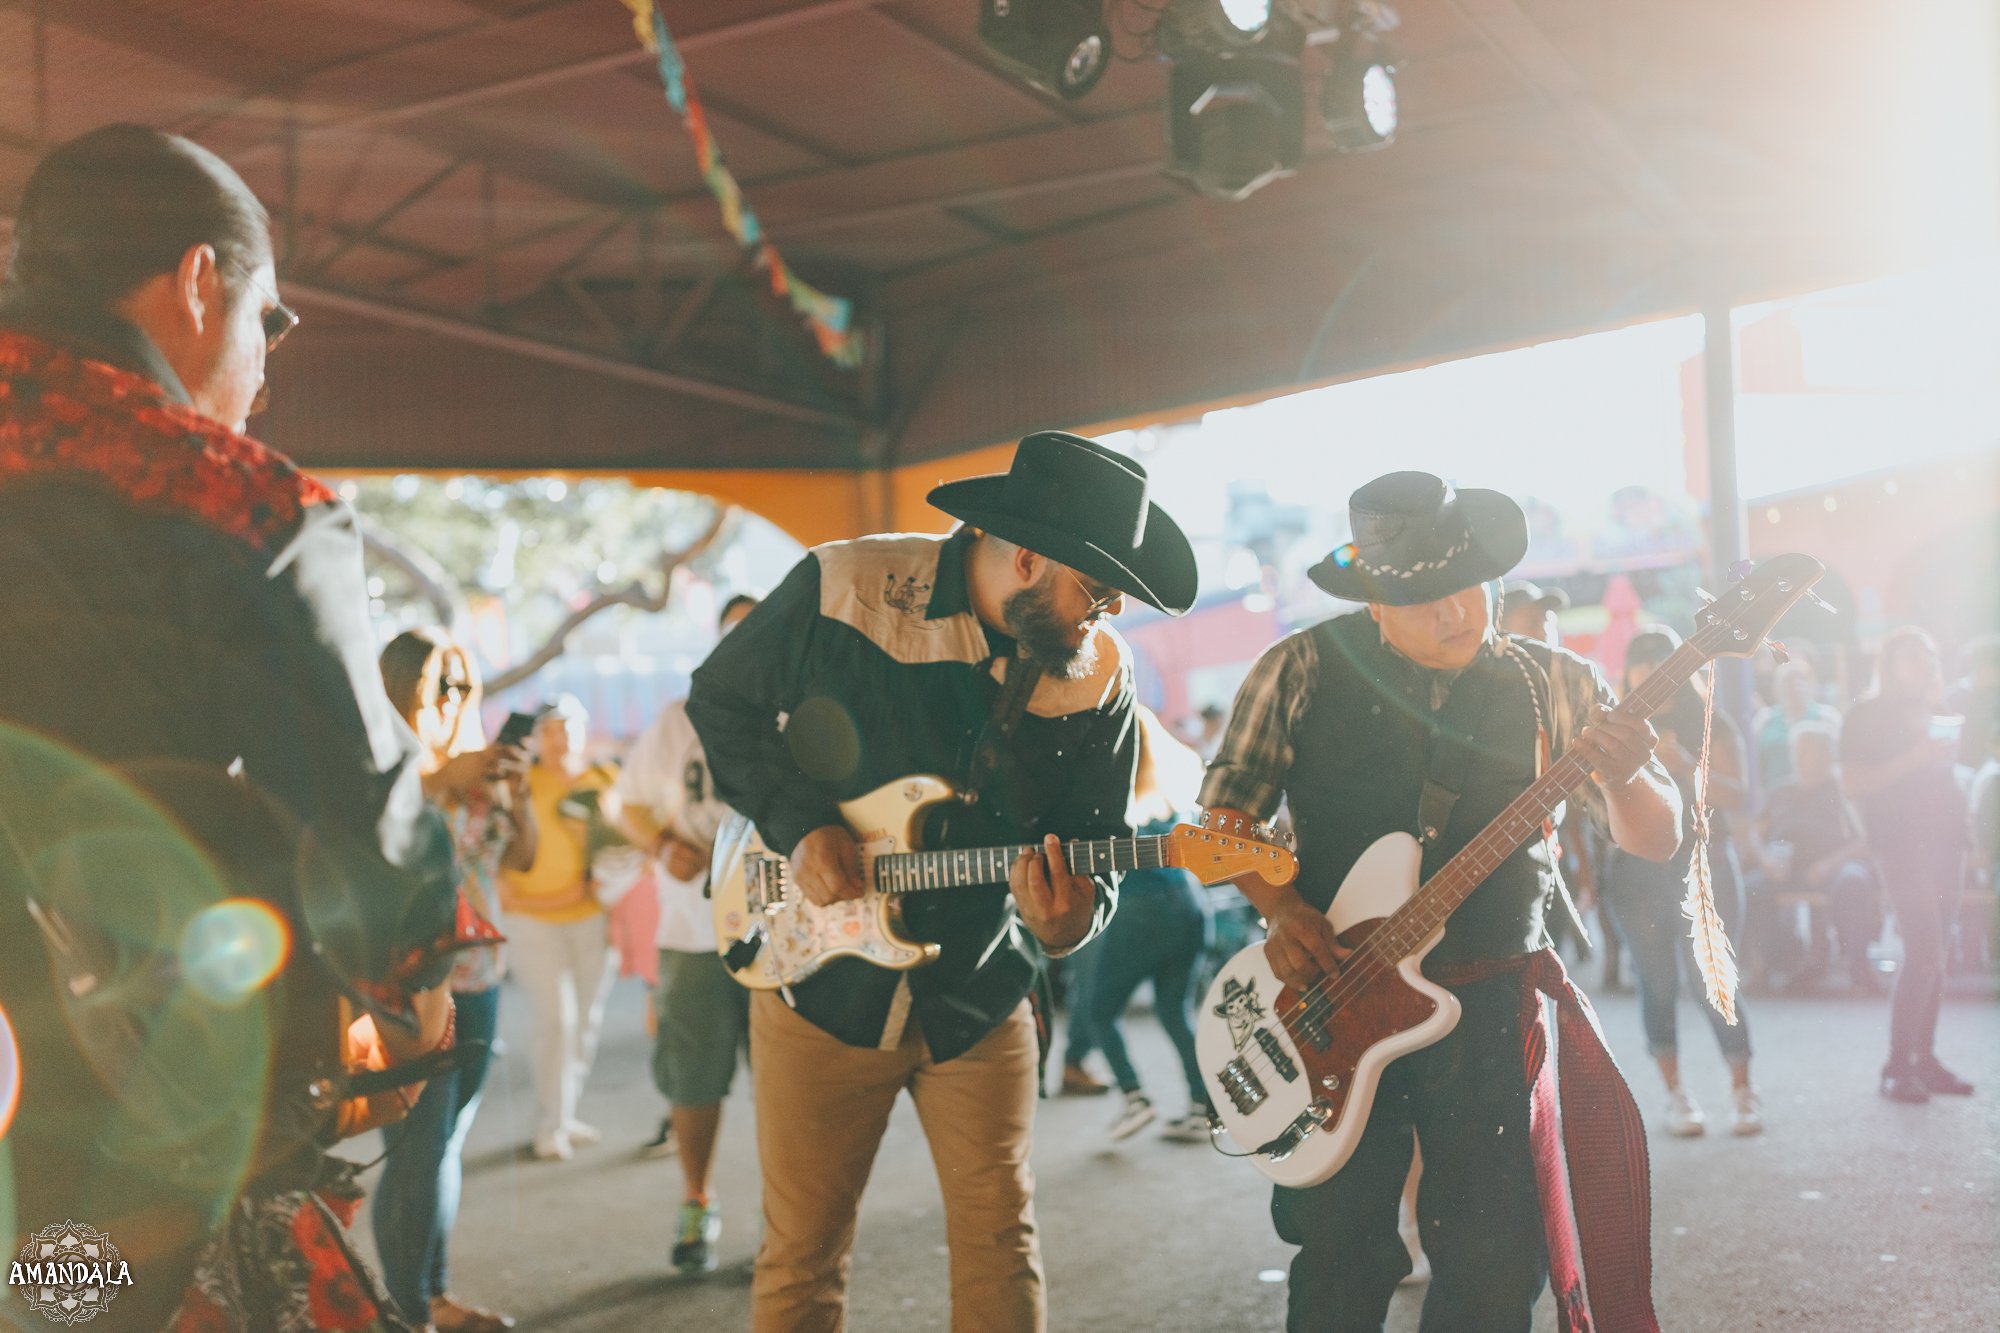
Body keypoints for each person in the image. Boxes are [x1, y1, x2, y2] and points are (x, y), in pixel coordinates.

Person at [0, 125, 457, 1331]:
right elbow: (370, 822)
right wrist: (414, 972)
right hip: (94, 1071)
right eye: (265, 321)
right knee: (77, 1292)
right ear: (199, 283)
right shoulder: (233, 501)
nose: (260, 370)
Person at [687, 430, 1195, 1333]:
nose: (1108, 612)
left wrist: (1068, 922)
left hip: (981, 988)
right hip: (819, 986)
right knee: (802, 1253)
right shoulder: (844, 585)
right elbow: (721, 699)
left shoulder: (1100, 675)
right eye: (1095, 587)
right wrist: (797, 824)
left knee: (1002, 1237)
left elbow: (1095, 842)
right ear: (1029, 558)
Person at [1200, 471, 1680, 1333]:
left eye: (1467, 585)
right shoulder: (1300, 667)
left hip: (1491, 1002)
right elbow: (1225, 822)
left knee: (1496, 1267)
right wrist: (1284, 909)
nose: (1456, 610)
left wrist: (1628, 772)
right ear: (1375, 602)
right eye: (1422, 597)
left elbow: (1656, 835)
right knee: (1341, 1253)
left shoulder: (1556, 681)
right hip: (1333, 998)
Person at [373, 629, 538, 1333]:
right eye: (441, 684)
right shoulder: (386, 766)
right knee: (417, 1148)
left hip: (481, 973)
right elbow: (391, 823)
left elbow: (521, 858)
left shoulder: (477, 768)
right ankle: (406, 1311)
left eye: (463, 684)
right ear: (401, 689)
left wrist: (516, 800)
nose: (454, 697)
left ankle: (430, 1295)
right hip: (414, 981)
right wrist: (454, 775)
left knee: (442, 1145)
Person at [610, 593, 760, 1274]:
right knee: (694, 1080)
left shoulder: (800, 715)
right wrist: (665, 840)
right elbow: (627, 802)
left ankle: (790, 1214)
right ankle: (696, 1198)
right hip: (692, 927)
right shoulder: (680, 719)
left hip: (789, 930)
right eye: (734, 633)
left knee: (791, 1081)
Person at [1596, 627, 1763, 1139]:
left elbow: (1740, 796)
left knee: (1714, 979)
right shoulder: (1617, 726)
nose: (1651, 679)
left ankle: (1742, 1091)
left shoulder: (1711, 720)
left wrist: (1689, 768)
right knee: (1657, 982)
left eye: (1660, 667)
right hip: (1634, 871)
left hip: (1704, 862)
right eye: (1640, 668)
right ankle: (1677, 1097)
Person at [1841, 627, 1974, 1103]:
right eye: (1914, 658)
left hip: (1947, 841)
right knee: (1923, 950)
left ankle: (1925, 1059)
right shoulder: (1865, 714)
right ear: (1890, 664)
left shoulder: (1935, 711)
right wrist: (1913, 758)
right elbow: (1853, 783)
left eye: (1931, 659)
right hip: (1900, 843)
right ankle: (1896, 1067)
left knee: (1937, 954)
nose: (1925, 667)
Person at [1082, 708, 1214, 1144]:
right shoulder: (1177, 780)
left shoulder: (1114, 791)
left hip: (1143, 910)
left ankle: (1135, 1097)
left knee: (1099, 1010)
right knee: (1176, 1013)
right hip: (1191, 905)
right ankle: (1205, 1109)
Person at [501, 694, 622, 1160]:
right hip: (531, 918)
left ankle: (564, 1113)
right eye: (549, 729)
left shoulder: (603, 779)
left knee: (585, 1021)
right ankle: (549, 1125)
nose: (558, 738)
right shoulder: (520, 782)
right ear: (536, 737)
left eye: (566, 727)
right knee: (557, 1018)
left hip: (591, 917)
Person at [1755, 721, 1881, 994]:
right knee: (1752, 888)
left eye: (1809, 751)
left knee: (1854, 880)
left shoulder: (1844, 791)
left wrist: (1829, 864)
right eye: (1797, 751)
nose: (1801, 757)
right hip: (1786, 868)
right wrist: (1765, 858)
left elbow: (1866, 839)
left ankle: (1858, 965)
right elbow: (1755, 831)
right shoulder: (1781, 790)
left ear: (1827, 754)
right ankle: (1772, 962)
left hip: (1836, 865)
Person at [1752, 659, 1840, 786]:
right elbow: (1754, 763)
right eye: (1787, 680)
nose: (1795, 686)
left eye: (1802, 679)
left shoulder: (1827, 717)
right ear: (1776, 687)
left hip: (1816, 793)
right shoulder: (1764, 719)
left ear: (1812, 685)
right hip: (1776, 796)